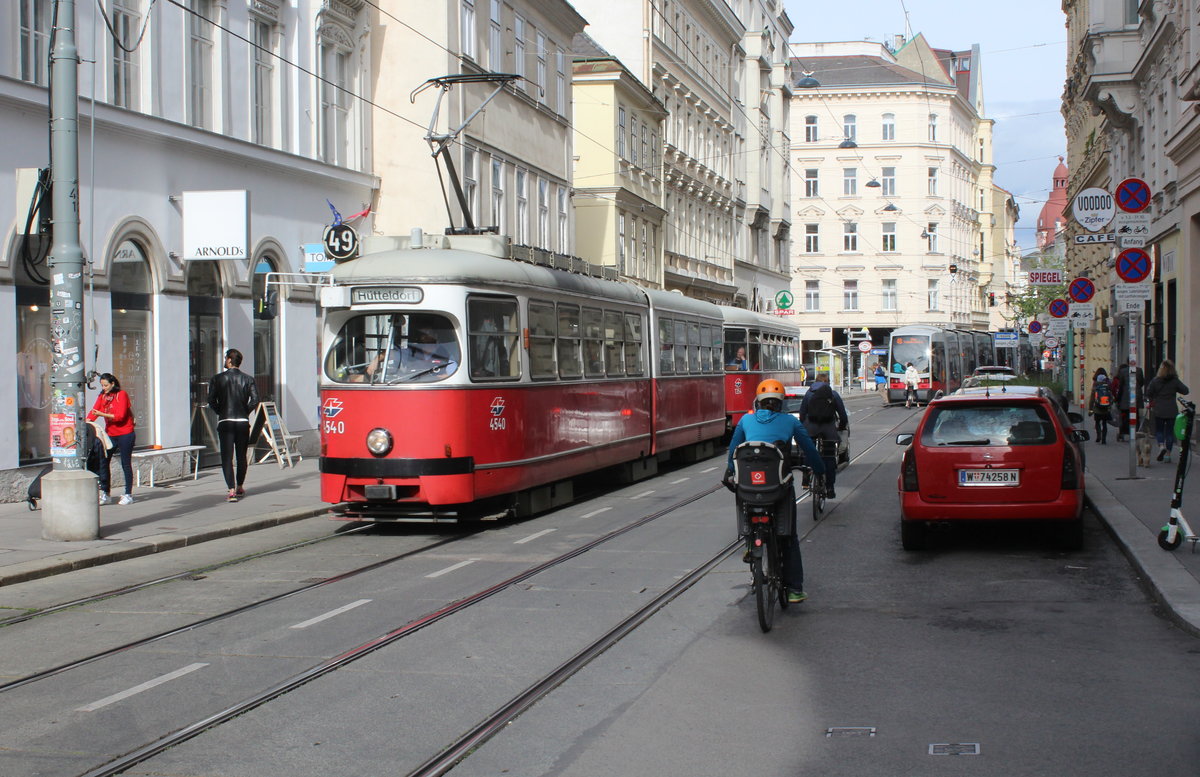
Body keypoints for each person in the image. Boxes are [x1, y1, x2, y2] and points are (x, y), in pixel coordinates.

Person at [727, 379, 825, 604]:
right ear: (781, 403)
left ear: (758, 402)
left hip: (749, 489)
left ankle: (751, 541)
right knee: (789, 537)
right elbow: (809, 449)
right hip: (779, 488)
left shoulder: (745, 420)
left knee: (744, 496)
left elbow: (733, 451)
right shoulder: (790, 422)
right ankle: (794, 589)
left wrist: (730, 471)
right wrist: (820, 471)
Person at [208, 348, 260, 502]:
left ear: (230, 360)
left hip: (226, 422)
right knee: (241, 457)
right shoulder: (248, 379)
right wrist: (245, 412)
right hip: (242, 422)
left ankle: (231, 489)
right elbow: (256, 400)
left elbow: (211, 400)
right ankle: (240, 486)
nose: (225, 361)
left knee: (226, 457)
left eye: (226, 358)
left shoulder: (217, 379)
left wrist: (221, 411)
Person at [798, 371, 849, 499]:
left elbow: (802, 413)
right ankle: (830, 487)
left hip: (811, 427)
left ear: (816, 381)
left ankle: (806, 475)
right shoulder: (833, 394)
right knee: (829, 457)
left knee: (809, 451)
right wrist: (841, 426)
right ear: (827, 382)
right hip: (828, 429)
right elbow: (842, 415)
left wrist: (804, 426)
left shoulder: (809, 393)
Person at [87, 372, 136, 505]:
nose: (104, 388)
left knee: (125, 463)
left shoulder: (121, 395)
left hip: (125, 433)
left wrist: (102, 413)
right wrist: (86, 422)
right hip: (111, 434)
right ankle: (105, 492)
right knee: (104, 462)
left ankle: (128, 494)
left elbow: (120, 416)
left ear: (113, 384)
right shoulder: (102, 396)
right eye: (102, 385)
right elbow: (94, 411)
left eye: (106, 385)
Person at [1144, 359, 1190, 463]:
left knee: (1159, 430)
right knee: (1169, 432)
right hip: (1171, 410)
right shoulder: (1175, 381)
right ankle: (1168, 455)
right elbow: (1186, 390)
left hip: (1159, 409)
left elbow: (1148, 392)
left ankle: (1161, 446)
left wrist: (1151, 400)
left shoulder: (1155, 380)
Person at [1112, 363, 1145, 442]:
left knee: (1124, 417)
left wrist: (1118, 399)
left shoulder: (1123, 371)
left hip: (1125, 398)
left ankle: (1123, 432)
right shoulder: (1139, 370)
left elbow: (1121, 386)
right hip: (1136, 397)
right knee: (1135, 415)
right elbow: (1142, 382)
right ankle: (1135, 431)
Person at [1088, 367, 1113, 444]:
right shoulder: (1108, 385)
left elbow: (1092, 398)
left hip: (1097, 408)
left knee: (1097, 422)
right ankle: (1104, 439)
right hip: (1106, 408)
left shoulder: (1095, 385)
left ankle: (1098, 436)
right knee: (1104, 423)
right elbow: (1111, 397)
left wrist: (1090, 409)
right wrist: (1110, 405)